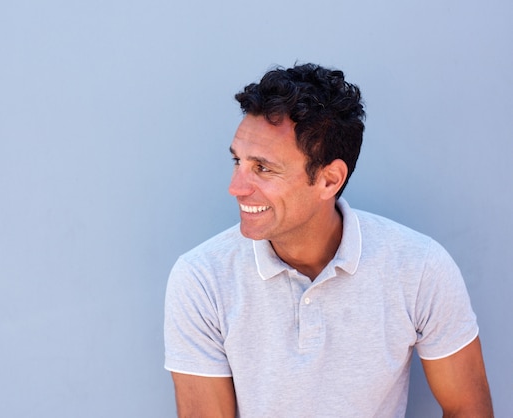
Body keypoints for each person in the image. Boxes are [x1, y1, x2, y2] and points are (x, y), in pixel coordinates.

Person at [163, 63, 493, 417]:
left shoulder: (420, 267)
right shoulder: (201, 279)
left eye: (263, 168)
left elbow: (467, 408)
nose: (236, 188)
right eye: (237, 161)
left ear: (329, 180)